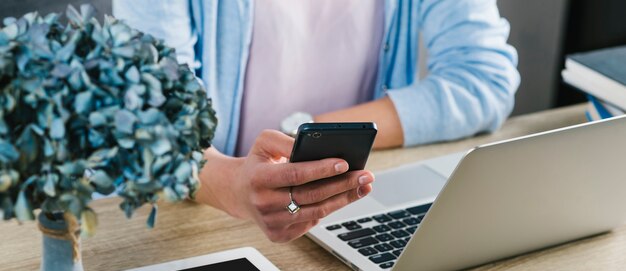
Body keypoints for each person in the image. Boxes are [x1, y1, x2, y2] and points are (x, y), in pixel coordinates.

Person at [112, 0, 520, 242]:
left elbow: (482, 80)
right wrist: (234, 184)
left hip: (353, 207)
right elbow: (151, 115)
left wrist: (308, 136)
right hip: (198, 220)